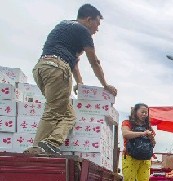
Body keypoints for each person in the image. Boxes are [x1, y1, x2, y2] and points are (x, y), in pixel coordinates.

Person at [25, 4, 117, 155]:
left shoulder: (64, 26)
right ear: (89, 19)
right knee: (53, 111)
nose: (97, 29)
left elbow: (74, 63)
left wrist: (80, 83)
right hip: (57, 69)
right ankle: (37, 150)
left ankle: (51, 143)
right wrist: (105, 85)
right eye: (97, 24)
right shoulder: (83, 31)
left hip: (41, 69)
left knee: (69, 115)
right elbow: (94, 62)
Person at [120, 103, 155, 181]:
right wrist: (143, 133)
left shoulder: (148, 126)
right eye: (142, 112)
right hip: (130, 157)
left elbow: (153, 144)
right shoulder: (127, 123)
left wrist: (151, 137)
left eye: (146, 112)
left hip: (145, 159)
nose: (145, 114)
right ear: (135, 112)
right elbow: (125, 134)